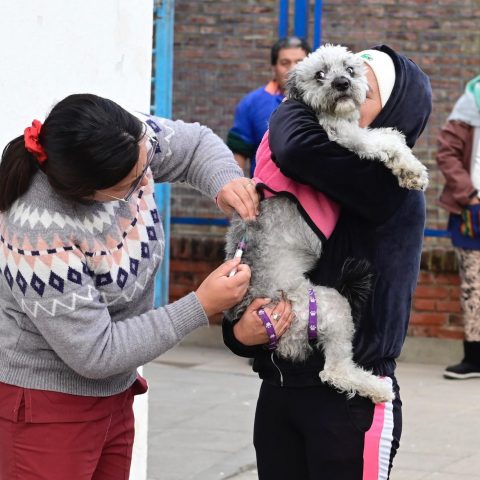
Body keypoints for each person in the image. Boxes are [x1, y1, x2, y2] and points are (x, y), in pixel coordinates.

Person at [0, 93, 294, 479]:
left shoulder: (127, 140)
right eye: (134, 181)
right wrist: (200, 305)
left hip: (114, 393)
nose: (147, 177)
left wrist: (224, 181)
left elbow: (194, 145)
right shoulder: (38, 229)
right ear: (89, 192)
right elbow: (96, 352)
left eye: (147, 164)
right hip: (46, 409)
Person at [223, 44, 432, 480]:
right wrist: (239, 333)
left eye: (362, 83)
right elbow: (256, 263)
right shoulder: (314, 171)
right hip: (279, 388)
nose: (343, 84)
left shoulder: (391, 188)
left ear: (394, 108)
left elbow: (297, 147)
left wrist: (289, 110)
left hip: (349, 406)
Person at [436, 75, 480, 380]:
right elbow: (447, 152)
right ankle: (475, 357)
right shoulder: (469, 105)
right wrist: (470, 196)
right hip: (472, 211)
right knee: (474, 285)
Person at [226, 36, 310, 177]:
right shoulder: (252, 103)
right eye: (285, 63)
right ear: (273, 67)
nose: (293, 69)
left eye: (299, 62)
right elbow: (238, 153)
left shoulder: (325, 102)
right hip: (266, 189)